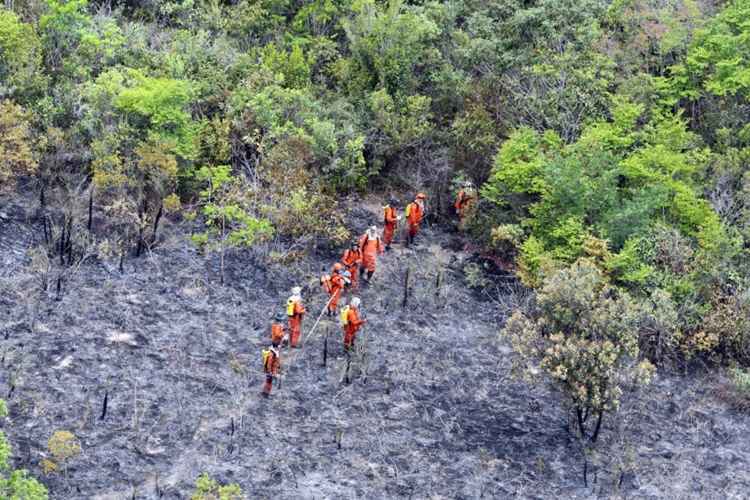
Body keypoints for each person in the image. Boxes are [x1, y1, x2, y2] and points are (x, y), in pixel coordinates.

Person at [262, 318, 283, 397]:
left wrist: (278, 367)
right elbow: (270, 363)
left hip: (273, 370)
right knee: (269, 381)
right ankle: (265, 393)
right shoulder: (272, 353)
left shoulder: (275, 352)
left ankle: (266, 392)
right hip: (270, 371)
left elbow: (276, 361)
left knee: (269, 381)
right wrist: (270, 372)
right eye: (278, 346)